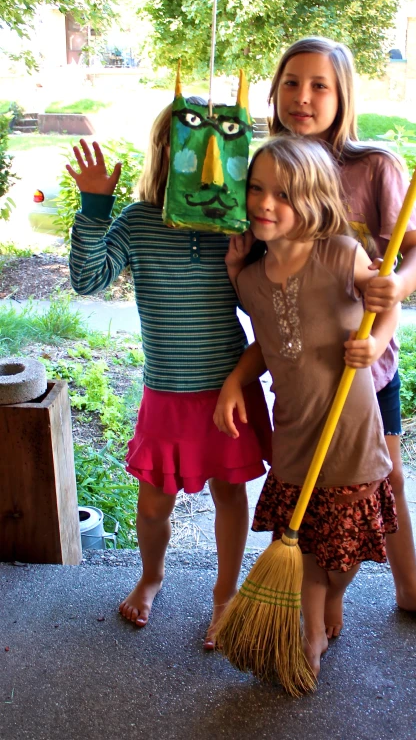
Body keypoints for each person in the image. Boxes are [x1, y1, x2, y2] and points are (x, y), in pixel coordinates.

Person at [221, 36, 416, 638]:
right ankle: (319, 604)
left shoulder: (373, 165)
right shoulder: (264, 170)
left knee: (386, 478)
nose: (303, 97)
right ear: (275, 91)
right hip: (299, 373)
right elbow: (261, 283)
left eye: (320, 85)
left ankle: (409, 586)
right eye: (291, 83)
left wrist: (396, 292)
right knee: (311, 492)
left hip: (367, 363)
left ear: (343, 95)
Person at [67, 104, 272, 647]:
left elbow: (265, 310)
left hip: (228, 390)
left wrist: (242, 261)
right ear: (165, 155)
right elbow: (87, 280)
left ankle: (226, 594)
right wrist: (94, 205)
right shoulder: (138, 221)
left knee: (231, 494)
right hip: (167, 394)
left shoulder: (241, 225)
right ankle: (152, 576)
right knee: (153, 504)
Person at [215, 136, 400, 676]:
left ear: (315, 200)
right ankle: (310, 629)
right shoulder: (249, 280)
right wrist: (234, 383)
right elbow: (269, 345)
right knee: (303, 544)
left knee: (343, 555)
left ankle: (332, 598)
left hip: (351, 434)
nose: (264, 203)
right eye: (256, 188)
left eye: (284, 195)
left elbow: (384, 300)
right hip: (294, 435)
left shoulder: (340, 254)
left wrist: (378, 336)